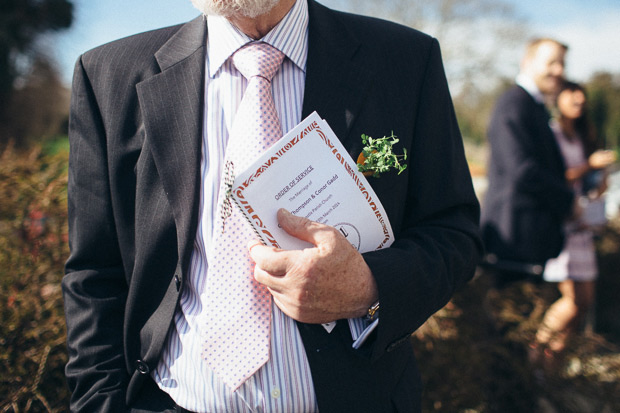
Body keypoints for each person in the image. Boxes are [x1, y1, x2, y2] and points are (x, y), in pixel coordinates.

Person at [62, 0, 482, 412]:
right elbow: (94, 271)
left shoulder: (406, 59)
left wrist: (369, 287)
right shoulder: (108, 74)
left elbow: (453, 231)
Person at [530, 81, 615, 364]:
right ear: (560, 99)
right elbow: (553, 178)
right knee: (572, 301)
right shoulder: (552, 134)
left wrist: (598, 183)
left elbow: (582, 184)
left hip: (582, 226)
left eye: (583, 97)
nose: (580, 100)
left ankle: (550, 365)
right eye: (573, 95)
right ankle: (535, 354)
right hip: (562, 226)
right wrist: (588, 166)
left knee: (583, 303)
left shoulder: (581, 136)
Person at [481, 38, 574, 280]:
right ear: (527, 62)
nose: (559, 71)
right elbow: (522, 170)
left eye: (562, 64)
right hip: (512, 242)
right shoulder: (514, 103)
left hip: (527, 241)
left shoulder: (532, 105)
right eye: (552, 62)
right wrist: (568, 202)